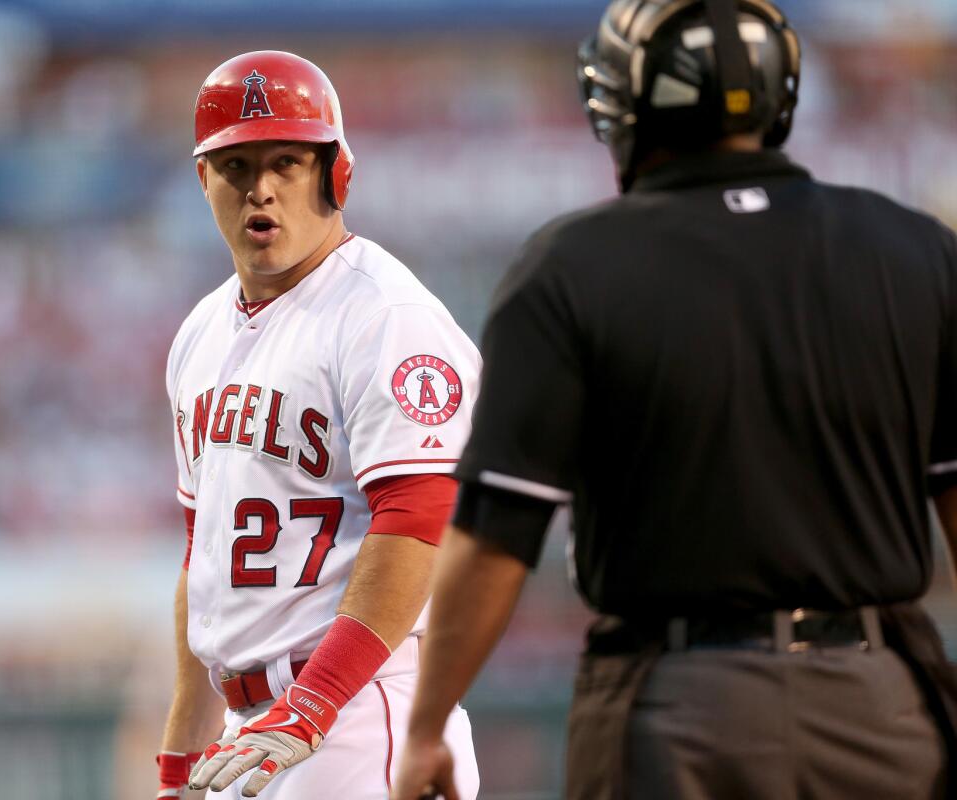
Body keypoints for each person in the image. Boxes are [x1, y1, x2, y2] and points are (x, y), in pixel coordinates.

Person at [392, 1, 957, 799]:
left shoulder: (570, 266)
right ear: (779, 95)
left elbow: (496, 539)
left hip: (679, 708)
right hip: (881, 702)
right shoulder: (919, 251)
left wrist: (426, 726)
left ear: (624, 101)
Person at [155, 50, 481, 800]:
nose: (260, 188)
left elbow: (423, 522)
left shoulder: (386, 317)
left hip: (360, 710)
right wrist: (178, 762)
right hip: (252, 731)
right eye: (236, 166)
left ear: (335, 173)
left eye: (287, 162)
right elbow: (202, 559)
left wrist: (312, 708)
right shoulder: (200, 333)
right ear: (203, 180)